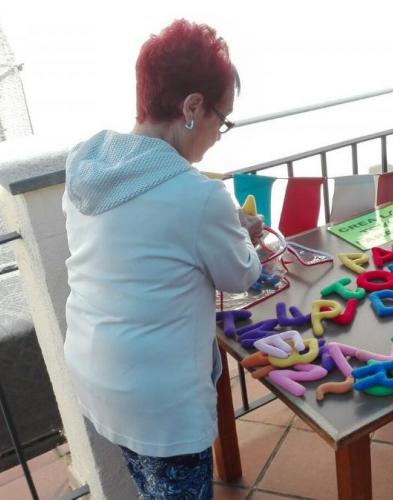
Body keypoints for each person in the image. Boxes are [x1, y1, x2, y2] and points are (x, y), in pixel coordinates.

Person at [62, 20, 262, 498]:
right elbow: (242, 275)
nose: (219, 133)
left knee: (149, 483)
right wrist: (242, 234)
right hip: (159, 401)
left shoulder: (89, 167)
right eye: (221, 118)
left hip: (96, 373)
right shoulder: (196, 196)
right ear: (192, 107)